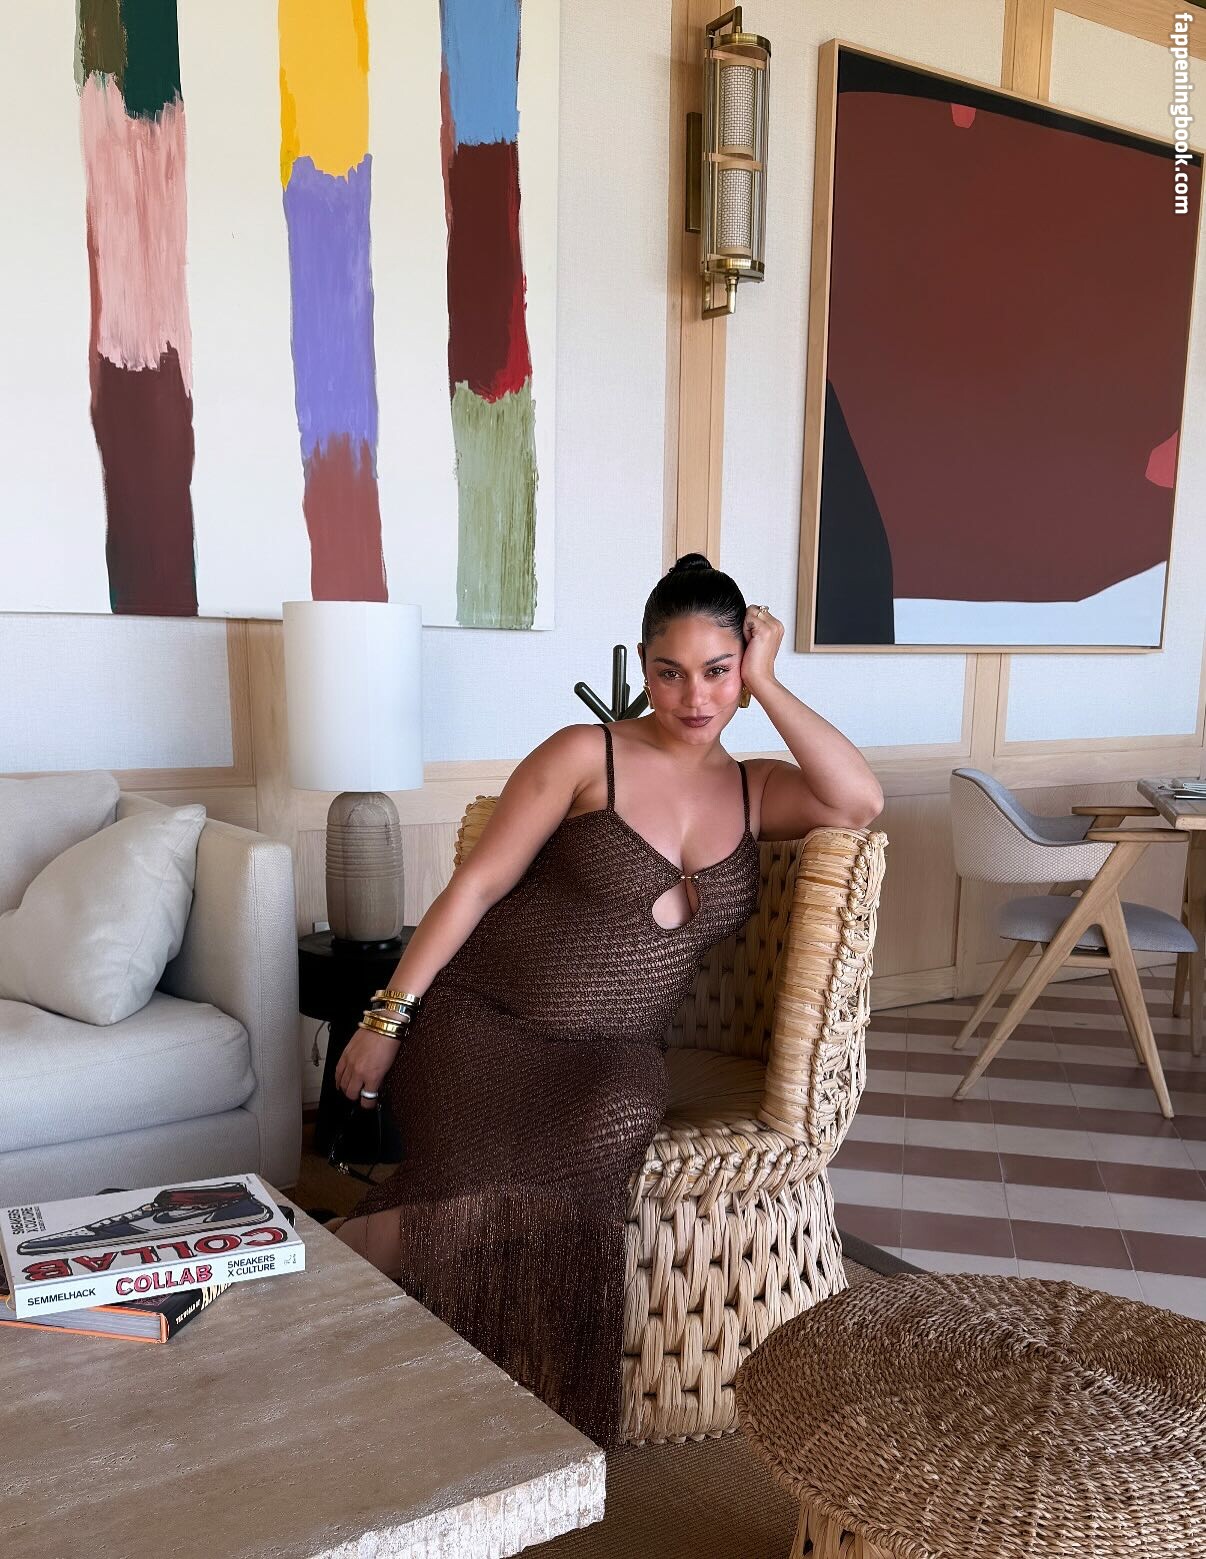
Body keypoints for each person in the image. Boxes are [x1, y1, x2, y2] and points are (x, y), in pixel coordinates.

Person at [332, 555, 882, 1447]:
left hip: (611, 1048)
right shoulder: (586, 754)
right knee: (527, 1179)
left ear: (742, 669)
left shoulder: (755, 789)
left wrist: (771, 682)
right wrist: (386, 1020)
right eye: (670, 672)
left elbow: (857, 801)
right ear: (643, 665)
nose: (694, 697)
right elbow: (474, 887)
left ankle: (367, 1266)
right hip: (484, 1023)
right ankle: (373, 1290)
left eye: (718, 671)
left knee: (618, 1112)